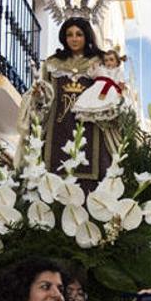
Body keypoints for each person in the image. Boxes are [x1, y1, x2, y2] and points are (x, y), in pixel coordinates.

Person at [16, 17, 119, 188]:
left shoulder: (100, 61)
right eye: (69, 34)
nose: (74, 38)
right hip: (57, 128)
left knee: (96, 174)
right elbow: (46, 96)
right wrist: (38, 94)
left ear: (87, 36)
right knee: (52, 175)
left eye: (79, 34)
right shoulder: (52, 63)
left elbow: (113, 88)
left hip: (92, 128)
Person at [72, 49, 126, 117]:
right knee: (91, 103)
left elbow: (120, 84)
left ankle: (105, 112)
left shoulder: (118, 71)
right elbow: (91, 75)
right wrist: (93, 67)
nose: (108, 62)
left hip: (110, 89)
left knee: (109, 103)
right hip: (97, 88)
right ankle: (91, 113)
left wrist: (121, 87)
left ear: (117, 62)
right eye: (106, 60)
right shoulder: (101, 68)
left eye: (111, 60)